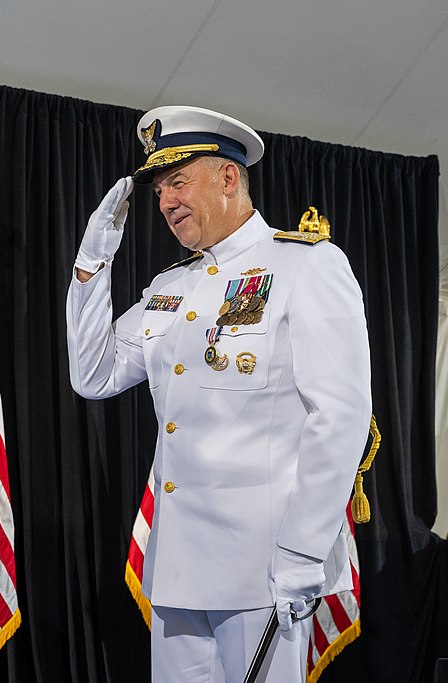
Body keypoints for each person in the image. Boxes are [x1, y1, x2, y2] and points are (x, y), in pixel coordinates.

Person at [66, 106, 371, 682]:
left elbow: (340, 415)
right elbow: (94, 374)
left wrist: (305, 550)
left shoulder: (305, 265)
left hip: (263, 566)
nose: (165, 202)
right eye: (158, 190)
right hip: (177, 567)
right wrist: (91, 264)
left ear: (229, 178)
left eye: (178, 182)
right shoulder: (170, 287)